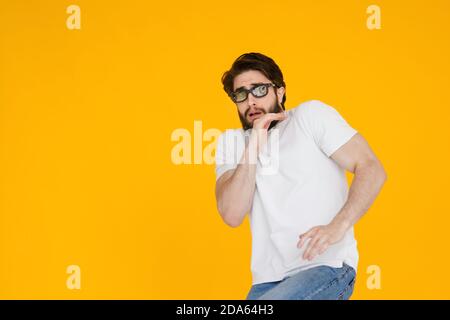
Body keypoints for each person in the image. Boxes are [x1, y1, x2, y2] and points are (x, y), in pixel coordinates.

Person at [214, 52, 387, 300]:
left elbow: (371, 167)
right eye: (240, 94)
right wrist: (255, 141)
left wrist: (338, 226)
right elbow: (232, 214)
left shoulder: (310, 116)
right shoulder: (231, 143)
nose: (250, 101)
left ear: (280, 92)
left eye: (259, 90)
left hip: (326, 267)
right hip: (266, 282)